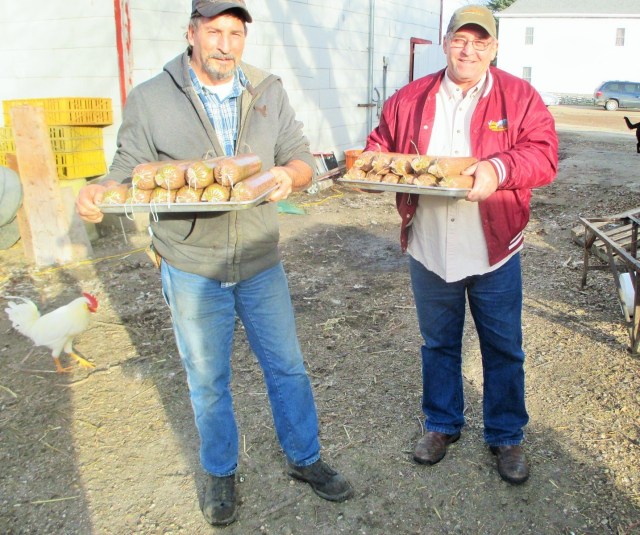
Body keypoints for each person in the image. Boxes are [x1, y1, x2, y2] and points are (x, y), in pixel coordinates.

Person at [76, 0, 353, 525]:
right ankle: (221, 470)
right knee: (207, 379)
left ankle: (305, 458)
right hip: (192, 265)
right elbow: (127, 168)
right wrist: (99, 191)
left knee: (287, 367)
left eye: (236, 32)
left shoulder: (266, 90)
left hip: (259, 258)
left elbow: (298, 155)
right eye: (215, 31)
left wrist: (290, 176)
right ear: (192, 33)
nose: (226, 43)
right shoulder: (152, 97)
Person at [365, 5, 558, 485]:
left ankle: (506, 434)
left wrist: (498, 169)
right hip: (430, 247)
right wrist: (369, 166)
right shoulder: (411, 98)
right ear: (446, 41)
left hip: (492, 248)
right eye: (460, 39)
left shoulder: (518, 96)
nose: (468, 50)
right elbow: (380, 144)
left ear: (494, 47)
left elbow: (543, 154)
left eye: (480, 42)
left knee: (503, 347)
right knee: (438, 343)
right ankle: (442, 424)